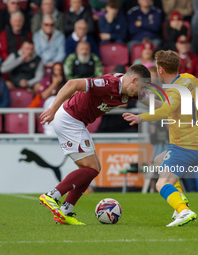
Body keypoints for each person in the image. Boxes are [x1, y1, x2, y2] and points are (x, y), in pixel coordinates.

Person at [38, 64, 151, 225]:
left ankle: (65, 211)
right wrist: (52, 110)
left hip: (78, 122)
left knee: (95, 169)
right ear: (134, 80)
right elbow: (72, 84)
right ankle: (52, 195)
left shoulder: (129, 90)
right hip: (69, 118)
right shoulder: (107, 84)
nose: (141, 91)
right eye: (141, 87)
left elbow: (155, 103)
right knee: (90, 168)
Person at [122, 50, 198, 227]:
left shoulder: (174, 90)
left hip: (183, 147)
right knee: (158, 160)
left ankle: (183, 210)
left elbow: (165, 111)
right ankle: (180, 204)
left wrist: (140, 118)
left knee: (161, 184)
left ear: (161, 69)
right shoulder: (190, 79)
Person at [37, 63, 67, 136]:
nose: (58, 72)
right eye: (56, 70)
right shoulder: (45, 80)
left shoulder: (66, 83)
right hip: (47, 108)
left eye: (60, 70)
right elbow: (44, 95)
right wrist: (55, 84)